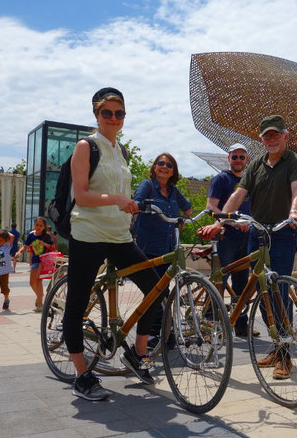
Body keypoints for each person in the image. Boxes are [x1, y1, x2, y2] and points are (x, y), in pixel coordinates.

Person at [62, 87, 164, 401]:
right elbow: (81, 195)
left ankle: (136, 353)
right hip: (89, 234)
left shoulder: (121, 152)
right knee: (77, 303)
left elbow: (120, 194)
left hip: (119, 236)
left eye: (119, 113)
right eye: (107, 112)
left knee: (154, 288)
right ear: (97, 114)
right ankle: (82, 374)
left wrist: (129, 208)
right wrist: (117, 199)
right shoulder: (86, 146)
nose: (114, 118)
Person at [199, 115, 297, 379]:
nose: (271, 139)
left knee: (278, 288)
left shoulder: (294, 161)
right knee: (260, 289)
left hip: (281, 232)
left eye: (275, 135)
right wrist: (222, 221)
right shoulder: (256, 163)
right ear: (261, 139)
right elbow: (238, 195)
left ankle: (284, 356)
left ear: (285, 136)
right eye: (266, 136)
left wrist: (294, 212)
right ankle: (276, 347)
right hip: (257, 233)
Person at [132, 152, 192, 347]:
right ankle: (151, 335)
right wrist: (141, 207)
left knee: (164, 293)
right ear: (155, 167)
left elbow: (188, 209)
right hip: (148, 248)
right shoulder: (147, 185)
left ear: (173, 170)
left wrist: (181, 222)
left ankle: (165, 332)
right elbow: (137, 203)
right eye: (160, 163)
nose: (164, 167)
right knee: (154, 292)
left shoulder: (174, 192)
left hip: (168, 249)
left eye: (169, 165)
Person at [205, 142, 258, 338]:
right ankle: (210, 324)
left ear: (246, 160)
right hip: (226, 237)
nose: (237, 160)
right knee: (219, 280)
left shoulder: (249, 182)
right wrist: (232, 222)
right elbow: (212, 207)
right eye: (234, 157)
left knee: (242, 284)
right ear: (229, 159)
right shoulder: (221, 179)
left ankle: (240, 324)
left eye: (241, 157)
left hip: (246, 238)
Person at [14, 217, 54, 312]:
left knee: (38, 281)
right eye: (37, 225)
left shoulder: (47, 236)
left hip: (43, 261)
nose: (38, 227)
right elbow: (25, 246)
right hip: (35, 260)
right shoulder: (31, 235)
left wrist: (44, 244)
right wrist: (19, 252)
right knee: (32, 283)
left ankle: (40, 304)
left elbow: (52, 247)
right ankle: (40, 296)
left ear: (44, 227)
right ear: (34, 225)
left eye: (41, 225)